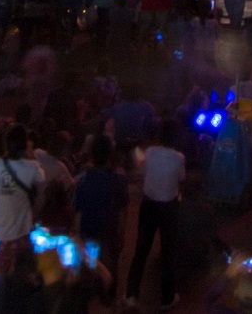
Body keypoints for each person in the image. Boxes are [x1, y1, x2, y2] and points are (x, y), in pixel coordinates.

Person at [125, 117, 185, 310]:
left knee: (141, 250)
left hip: (149, 205)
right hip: (169, 207)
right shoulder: (179, 158)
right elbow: (181, 177)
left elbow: (142, 168)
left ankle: (131, 294)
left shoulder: (150, 152)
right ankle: (167, 297)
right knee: (168, 252)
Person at [73, 134, 129, 278]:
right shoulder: (118, 179)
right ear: (110, 154)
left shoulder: (82, 180)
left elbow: (78, 211)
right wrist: (121, 233)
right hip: (109, 234)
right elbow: (123, 210)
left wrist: (77, 236)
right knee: (109, 273)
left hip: (88, 233)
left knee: (91, 273)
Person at [0, 125, 44, 256]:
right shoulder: (32, 166)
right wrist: (30, 154)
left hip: (1, 228)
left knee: (2, 264)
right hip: (22, 228)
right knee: (21, 264)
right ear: (24, 144)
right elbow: (42, 179)